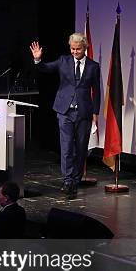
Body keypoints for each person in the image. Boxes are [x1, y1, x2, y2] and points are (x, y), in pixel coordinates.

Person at [30, 33, 100, 196]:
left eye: (78, 49)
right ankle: (67, 181)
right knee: (67, 147)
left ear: (85, 48)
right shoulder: (63, 61)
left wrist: (95, 112)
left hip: (84, 113)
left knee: (81, 148)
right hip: (64, 111)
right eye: (73, 49)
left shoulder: (93, 66)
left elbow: (96, 91)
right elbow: (45, 68)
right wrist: (38, 60)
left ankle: (75, 180)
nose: (75, 52)